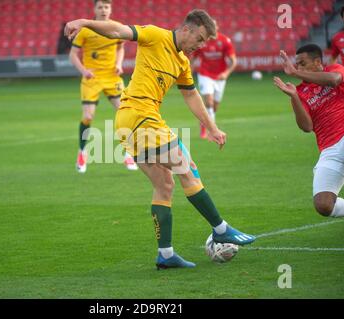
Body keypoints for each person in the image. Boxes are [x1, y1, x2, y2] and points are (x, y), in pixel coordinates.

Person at [65, 9, 256, 270]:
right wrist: (85, 22)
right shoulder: (155, 35)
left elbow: (191, 95)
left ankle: (165, 255)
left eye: (204, 43)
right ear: (187, 29)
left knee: (165, 184)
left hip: (131, 123)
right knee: (186, 169)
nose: (200, 47)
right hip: (139, 116)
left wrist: (211, 126)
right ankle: (221, 228)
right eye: (199, 39)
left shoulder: (182, 62)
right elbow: (118, 30)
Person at [274, 45, 344, 218]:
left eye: (302, 63)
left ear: (317, 62)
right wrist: (294, 97)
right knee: (323, 205)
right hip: (329, 147)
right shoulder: (299, 91)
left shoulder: (335, 69)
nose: (298, 67)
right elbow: (306, 127)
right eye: (296, 64)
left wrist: (295, 73)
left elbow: (334, 80)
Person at [69, 0, 137, 173]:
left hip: (111, 76)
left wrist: (119, 63)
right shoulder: (85, 30)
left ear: (110, 9)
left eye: (106, 7)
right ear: (95, 9)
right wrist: (83, 71)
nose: (103, 10)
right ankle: (82, 153)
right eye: (100, 7)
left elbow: (120, 48)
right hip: (92, 77)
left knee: (126, 113)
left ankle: (128, 153)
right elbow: (73, 55)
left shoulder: (117, 27)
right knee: (88, 116)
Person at [192, 24, 237, 138]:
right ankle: (212, 131)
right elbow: (193, 58)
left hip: (219, 77)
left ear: (217, 28)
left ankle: (204, 125)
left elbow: (233, 61)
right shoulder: (202, 42)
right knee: (209, 102)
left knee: (214, 107)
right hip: (205, 75)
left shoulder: (225, 41)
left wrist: (226, 73)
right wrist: (187, 71)